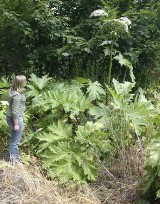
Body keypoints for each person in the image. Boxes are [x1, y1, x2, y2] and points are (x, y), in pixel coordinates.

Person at [6, 75, 26, 164]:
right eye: (25, 81)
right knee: (15, 142)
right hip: (15, 119)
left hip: (10, 117)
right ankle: (15, 162)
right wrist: (16, 124)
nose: (26, 82)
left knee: (13, 139)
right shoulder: (17, 95)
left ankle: (9, 157)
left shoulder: (12, 92)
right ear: (21, 83)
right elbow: (15, 111)